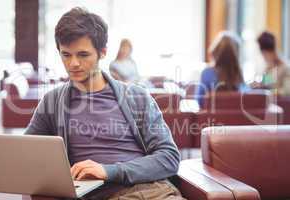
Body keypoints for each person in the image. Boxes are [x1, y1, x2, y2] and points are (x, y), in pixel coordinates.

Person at [25, 7, 183, 200]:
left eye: (83, 55)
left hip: (150, 192)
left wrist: (109, 171)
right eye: (66, 55)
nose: (73, 63)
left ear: (103, 52)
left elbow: (169, 158)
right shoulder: (52, 101)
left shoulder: (137, 97)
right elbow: (27, 155)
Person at [195, 31, 248, 107]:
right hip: (236, 118)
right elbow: (247, 99)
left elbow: (200, 101)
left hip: (211, 118)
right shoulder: (238, 74)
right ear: (237, 55)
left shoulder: (206, 73)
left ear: (214, 51)